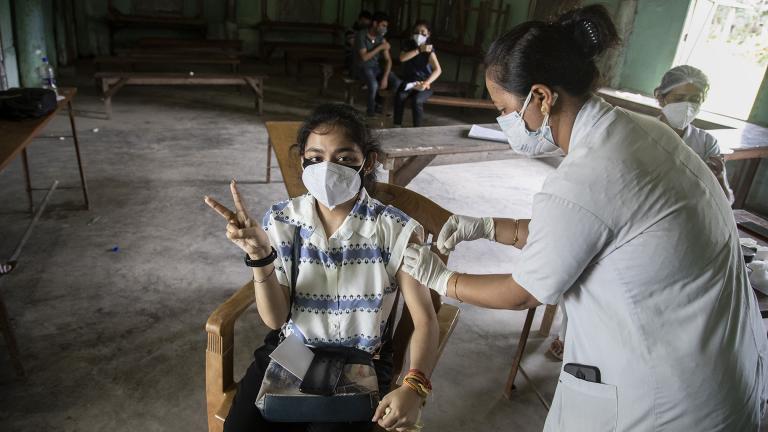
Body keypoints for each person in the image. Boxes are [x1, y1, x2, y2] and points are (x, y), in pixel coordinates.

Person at [401, 5, 768, 431]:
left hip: (667, 401)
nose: (502, 120)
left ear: (540, 97)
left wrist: (446, 280)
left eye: (502, 107)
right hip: (721, 372)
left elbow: (523, 293)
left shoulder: (587, 176)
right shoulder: (643, 131)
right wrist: (484, 226)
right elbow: (592, 232)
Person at [204, 103, 439, 432]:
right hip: (292, 351)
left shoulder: (395, 229)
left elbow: (425, 318)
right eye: (315, 158)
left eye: (344, 158)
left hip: (361, 363)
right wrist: (261, 256)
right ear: (302, 160)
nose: (328, 169)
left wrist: (414, 388)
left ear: (368, 161)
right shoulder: (283, 220)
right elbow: (274, 319)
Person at [655, 65, 733, 202]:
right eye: (679, 98)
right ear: (661, 98)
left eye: (695, 100)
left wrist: (719, 177)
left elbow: (726, 200)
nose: (687, 106)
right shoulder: (641, 130)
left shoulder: (706, 142)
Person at [394, 20, 442, 127]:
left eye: (423, 32)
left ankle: (417, 129)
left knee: (417, 101)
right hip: (409, 82)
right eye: (416, 32)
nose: (419, 34)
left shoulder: (429, 48)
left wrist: (426, 83)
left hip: (423, 83)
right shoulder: (407, 44)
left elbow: (438, 70)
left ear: (428, 34)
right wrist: (419, 50)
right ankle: (396, 126)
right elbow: (402, 58)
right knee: (400, 96)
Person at [354, 11, 401, 116]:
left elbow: (388, 60)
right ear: (375, 24)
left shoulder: (381, 39)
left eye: (386, 26)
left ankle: (379, 104)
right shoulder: (361, 35)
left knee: (397, 82)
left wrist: (385, 77)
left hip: (375, 68)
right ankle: (370, 114)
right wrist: (380, 47)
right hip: (362, 68)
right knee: (374, 85)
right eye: (383, 25)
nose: (385, 28)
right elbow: (364, 57)